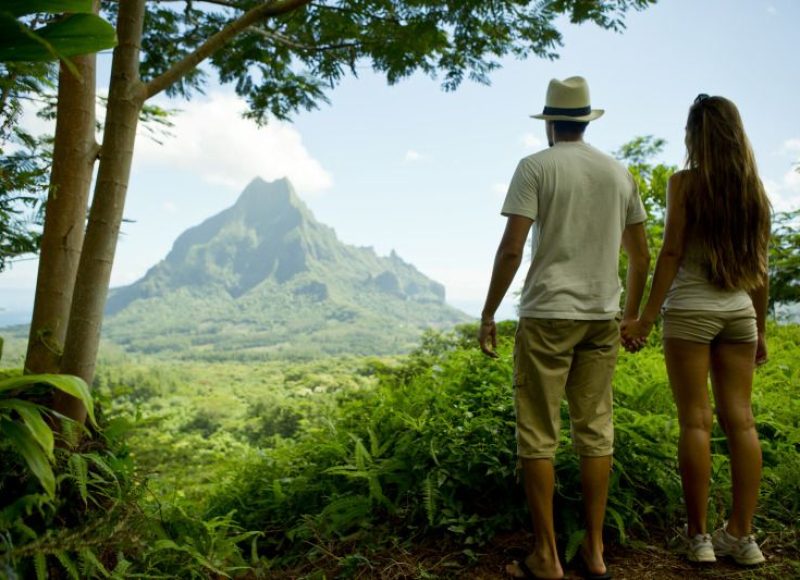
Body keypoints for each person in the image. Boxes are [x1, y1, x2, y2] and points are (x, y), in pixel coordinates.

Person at [478, 76, 650, 580]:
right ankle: (594, 552)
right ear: (586, 120)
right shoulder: (619, 173)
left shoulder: (535, 167)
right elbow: (640, 256)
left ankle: (547, 556)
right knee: (595, 429)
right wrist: (632, 315)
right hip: (603, 315)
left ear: (551, 122)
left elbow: (512, 248)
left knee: (538, 432)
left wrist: (489, 312)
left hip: (549, 313)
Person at [622, 94, 771, 566]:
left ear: (694, 136)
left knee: (696, 421)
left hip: (690, 310)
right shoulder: (755, 191)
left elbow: (670, 254)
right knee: (742, 420)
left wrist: (644, 319)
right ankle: (743, 537)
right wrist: (760, 329)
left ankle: (700, 538)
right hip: (738, 313)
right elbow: (761, 271)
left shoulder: (684, 184)